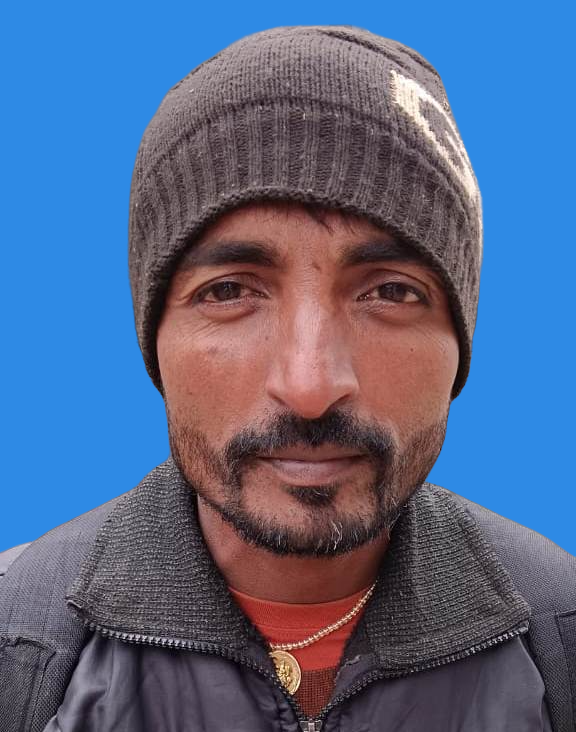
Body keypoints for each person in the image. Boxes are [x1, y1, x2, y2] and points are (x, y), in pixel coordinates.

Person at [0, 25, 574, 732]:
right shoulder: (20, 648)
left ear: (460, 337)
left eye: (390, 292)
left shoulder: (560, 640)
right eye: (229, 291)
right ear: (154, 337)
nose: (309, 386)